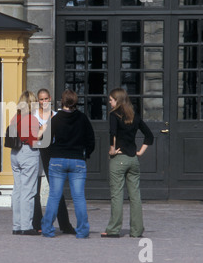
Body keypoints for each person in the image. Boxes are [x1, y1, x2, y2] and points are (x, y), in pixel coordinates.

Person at [41, 89, 95, 238]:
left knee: (54, 196)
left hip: (57, 159)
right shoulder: (83, 118)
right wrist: (86, 154)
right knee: (79, 197)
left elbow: (45, 141)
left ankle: (47, 229)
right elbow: (91, 140)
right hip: (77, 160)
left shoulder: (56, 119)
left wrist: (53, 152)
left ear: (62, 102)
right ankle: (82, 231)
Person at [101, 88, 153, 238]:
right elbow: (149, 136)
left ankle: (113, 229)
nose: (109, 102)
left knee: (117, 195)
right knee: (135, 196)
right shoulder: (134, 116)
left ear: (117, 100)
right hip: (133, 159)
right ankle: (136, 230)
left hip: (119, 159)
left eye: (111, 100)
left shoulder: (114, 115)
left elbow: (113, 133)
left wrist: (112, 150)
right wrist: (140, 152)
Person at [32, 89, 75, 234]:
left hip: (52, 152)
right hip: (37, 152)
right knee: (35, 189)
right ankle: (36, 223)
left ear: (50, 99)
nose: (44, 102)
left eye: (46, 99)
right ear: (38, 100)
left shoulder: (56, 116)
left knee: (56, 189)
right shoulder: (33, 116)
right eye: (41, 99)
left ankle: (65, 224)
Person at [10, 91, 41, 235]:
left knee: (17, 190)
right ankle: (26, 225)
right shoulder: (32, 119)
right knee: (28, 191)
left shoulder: (15, 117)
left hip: (15, 153)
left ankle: (16, 225)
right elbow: (34, 140)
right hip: (28, 152)